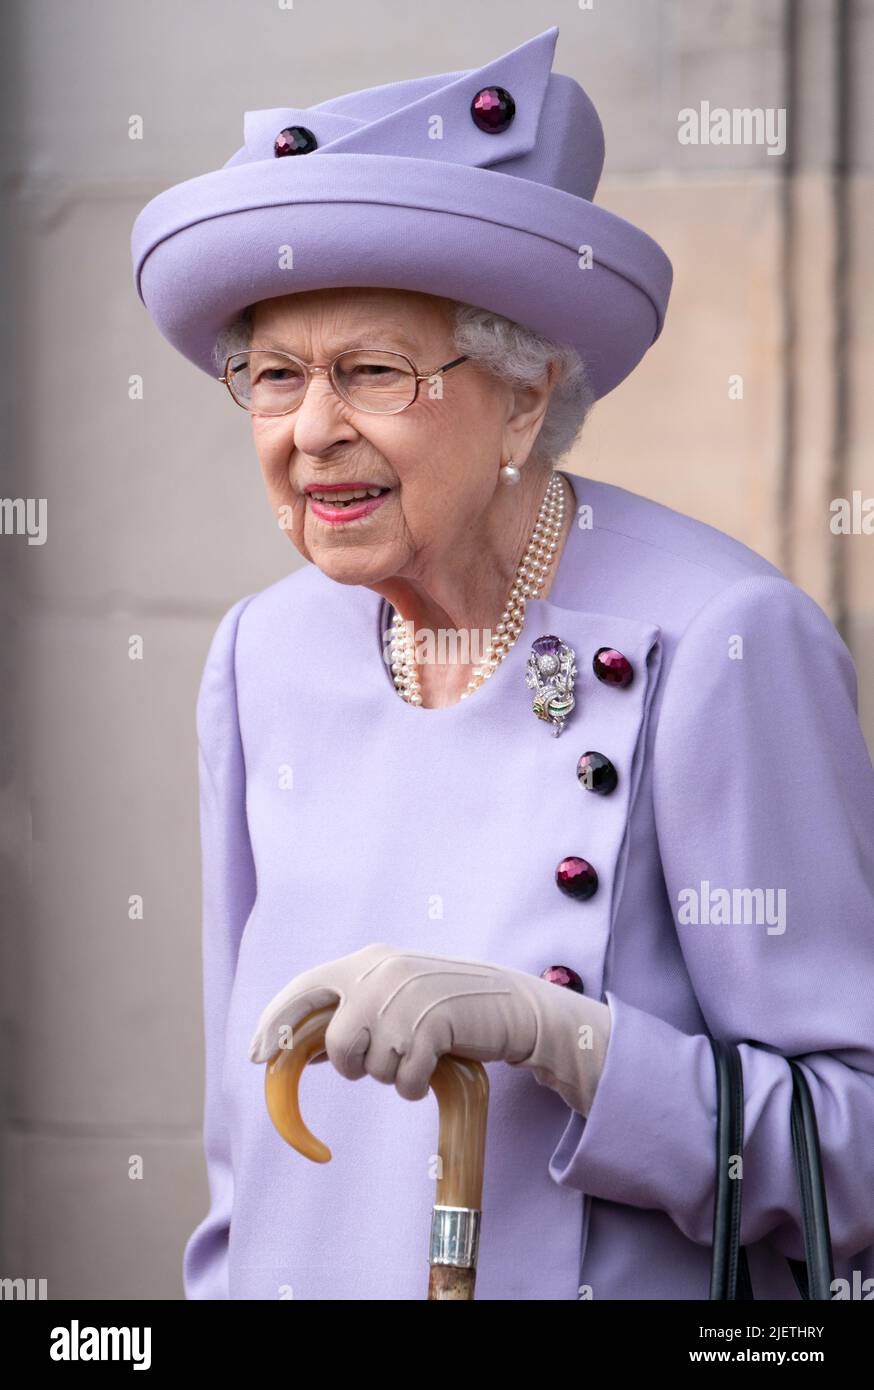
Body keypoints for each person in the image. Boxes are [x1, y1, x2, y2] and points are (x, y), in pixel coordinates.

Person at [131, 26, 874, 1300]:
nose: (312, 430)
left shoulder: (722, 639)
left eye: (374, 371)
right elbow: (242, 1155)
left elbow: (851, 1151)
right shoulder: (265, 651)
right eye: (272, 375)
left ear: (526, 394)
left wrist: (570, 1043)